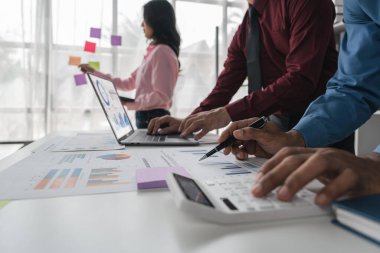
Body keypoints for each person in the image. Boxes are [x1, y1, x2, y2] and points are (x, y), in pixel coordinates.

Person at [219, 0, 380, 205]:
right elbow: (355, 87)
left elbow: (300, 77)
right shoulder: (357, 3)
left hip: (308, 109)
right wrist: (295, 138)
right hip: (299, 119)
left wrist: (376, 162)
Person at [148, 0, 355, 151]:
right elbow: (226, 83)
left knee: (331, 199)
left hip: (321, 120)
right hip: (279, 120)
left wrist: (225, 114)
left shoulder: (305, 3)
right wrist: (189, 121)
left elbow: (301, 79)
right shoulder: (248, 25)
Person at [80, 0, 180, 129]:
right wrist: (93, 72)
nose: (141, 24)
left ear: (156, 21)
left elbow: (162, 96)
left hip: (153, 117)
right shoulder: (154, 52)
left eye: (145, 19)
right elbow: (128, 83)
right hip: (147, 116)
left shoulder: (162, 52)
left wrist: (133, 102)